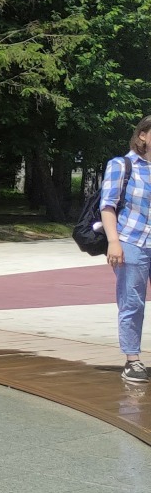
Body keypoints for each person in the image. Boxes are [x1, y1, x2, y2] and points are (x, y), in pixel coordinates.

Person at [100, 116, 151, 384]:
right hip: (131, 242)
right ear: (143, 135)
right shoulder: (122, 165)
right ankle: (132, 360)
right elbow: (108, 205)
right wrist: (113, 241)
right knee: (132, 302)